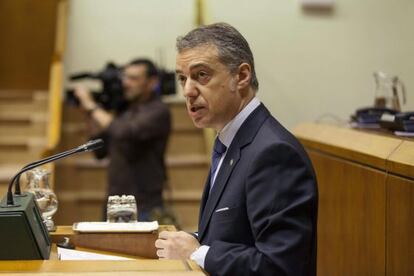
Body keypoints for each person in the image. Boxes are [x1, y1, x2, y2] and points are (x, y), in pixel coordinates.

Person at [155, 23, 318, 275]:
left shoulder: (273, 153)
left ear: (241, 76)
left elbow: (280, 266)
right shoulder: (229, 141)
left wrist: (196, 253)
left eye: (201, 75)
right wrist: (188, 241)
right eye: (182, 78)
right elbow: (234, 234)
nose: (187, 91)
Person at [74, 58, 171, 221]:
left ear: (152, 82)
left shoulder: (158, 111)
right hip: (113, 203)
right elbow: (100, 152)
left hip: (143, 206)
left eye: (133, 78)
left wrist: (92, 106)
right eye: (125, 77)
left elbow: (122, 132)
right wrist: (89, 114)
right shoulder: (125, 112)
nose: (126, 83)